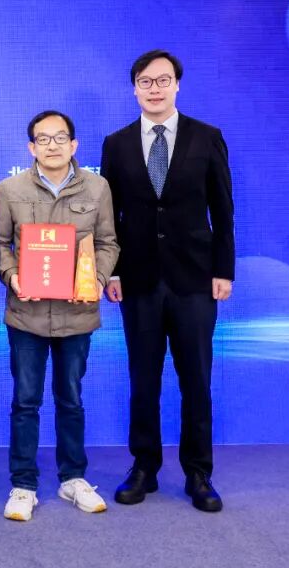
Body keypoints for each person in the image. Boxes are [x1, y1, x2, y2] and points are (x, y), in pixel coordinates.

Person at [100, 49, 235, 513]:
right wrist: (112, 270)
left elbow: (223, 210)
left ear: (177, 84)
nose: (154, 89)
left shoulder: (206, 137)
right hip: (137, 279)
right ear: (134, 88)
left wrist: (223, 270)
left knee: (196, 379)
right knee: (143, 379)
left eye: (162, 80)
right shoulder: (116, 144)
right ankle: (144, 466)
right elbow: (109, 217)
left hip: (195, 279)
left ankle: (199, 472)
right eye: (145, 81)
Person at [0, 110, 119, 522]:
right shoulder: (10, 189)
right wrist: (12, 277)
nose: (52, 145)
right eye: (43, 139)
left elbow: (108, 242)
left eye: (60, 137)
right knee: (25, 402)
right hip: (26, 314)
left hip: (77, 314)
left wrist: (95, 279)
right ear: (31, 147)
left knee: (71, 399)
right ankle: (23, 484)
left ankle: (73, 478)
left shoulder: (98, 187)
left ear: (74, 144)